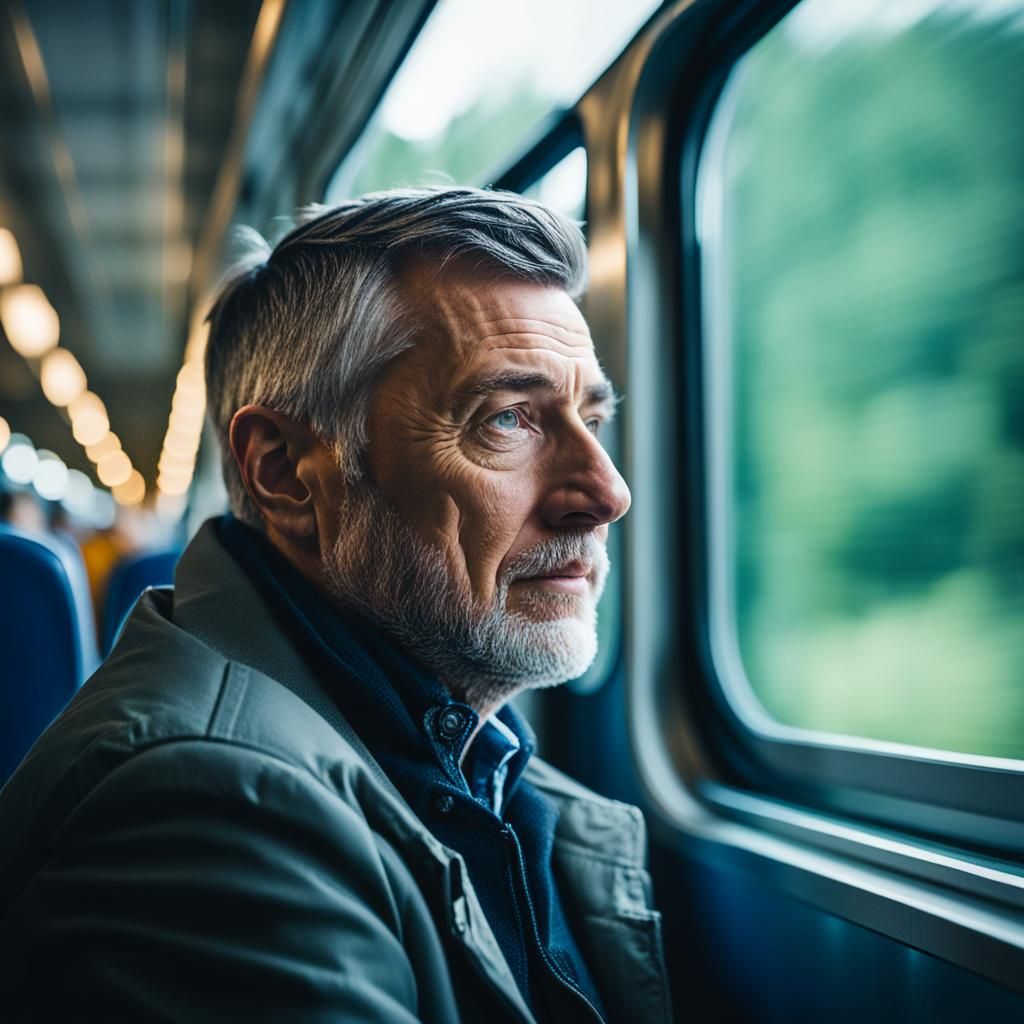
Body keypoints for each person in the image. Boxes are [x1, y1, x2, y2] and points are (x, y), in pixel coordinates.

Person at [0, 188, 671, 1023]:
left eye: (591, 420)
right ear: (285, 474)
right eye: (506, 419)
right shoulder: (208, 808)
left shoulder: (467, 754)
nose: (607, 492)